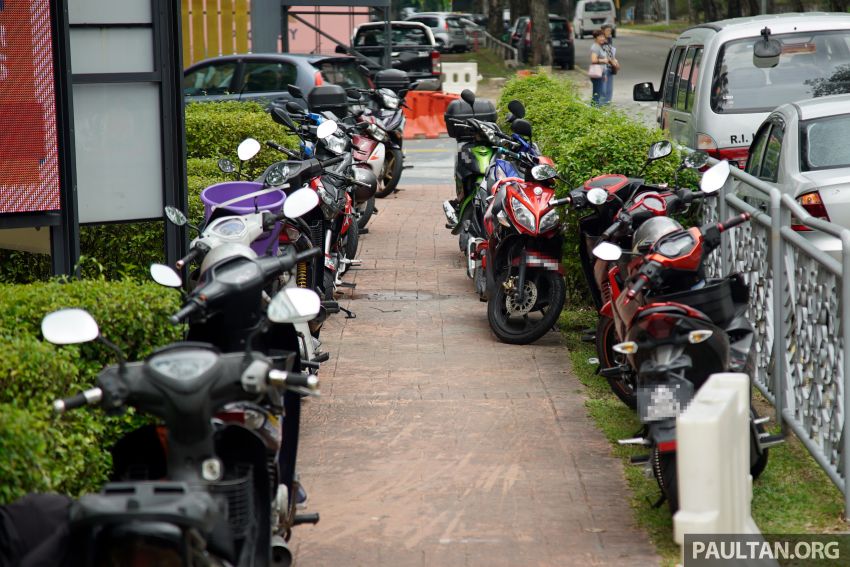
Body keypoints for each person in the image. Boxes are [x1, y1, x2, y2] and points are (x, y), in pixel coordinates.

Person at [589, 30, 613, 106]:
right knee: (597, 94)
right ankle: (595, 110)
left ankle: (596, 109)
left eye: (603, 37)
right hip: (597, 73)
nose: (602, 38)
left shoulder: (600, 46)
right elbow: (593, 60)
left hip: (601, 72)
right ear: (596, 38)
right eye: (600, 37)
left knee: (599, 93)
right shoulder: (595, 47)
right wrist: (604, 60)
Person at [601, 24, 618, 104]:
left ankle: (607, 104)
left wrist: (615, 61)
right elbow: (604, 54)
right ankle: (601, 105)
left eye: (610, 31)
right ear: (603, 31)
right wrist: (613, 62)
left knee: (609, 89)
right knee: (603, 89)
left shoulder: (609, 39)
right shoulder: (601, 40)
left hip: (610, 67)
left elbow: (611, 52)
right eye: (607, 31)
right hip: (603, 68)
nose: (609, 32)